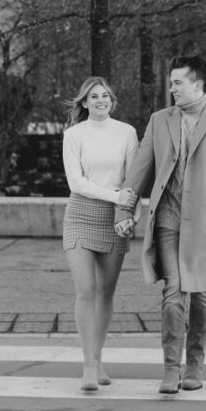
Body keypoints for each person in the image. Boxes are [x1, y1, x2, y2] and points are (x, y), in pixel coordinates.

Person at [114, 55, 206, 395]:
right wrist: (123, 212)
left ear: (198, 85)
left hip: (204, 225)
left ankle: (195, 365)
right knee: (173, 293)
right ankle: (171, 369)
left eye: (178, 82)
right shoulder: (160, 121)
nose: (172, 88)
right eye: (172, 82)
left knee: (202, 297)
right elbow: (139, 171)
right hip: (168, 223)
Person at [61, 76, 140, 392]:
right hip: (80, 214)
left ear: (112, 100)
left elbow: (133, 177)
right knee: (86, 290)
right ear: (84, 102)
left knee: (106, 292)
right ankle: (88, 366)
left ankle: (98, 357)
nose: (100, 100)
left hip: (115, 217)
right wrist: (117, 196)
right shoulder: (73, 134)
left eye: (105, 95)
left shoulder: (127, 132)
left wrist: (129, 211)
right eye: (94, 96)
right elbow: (76, 183)